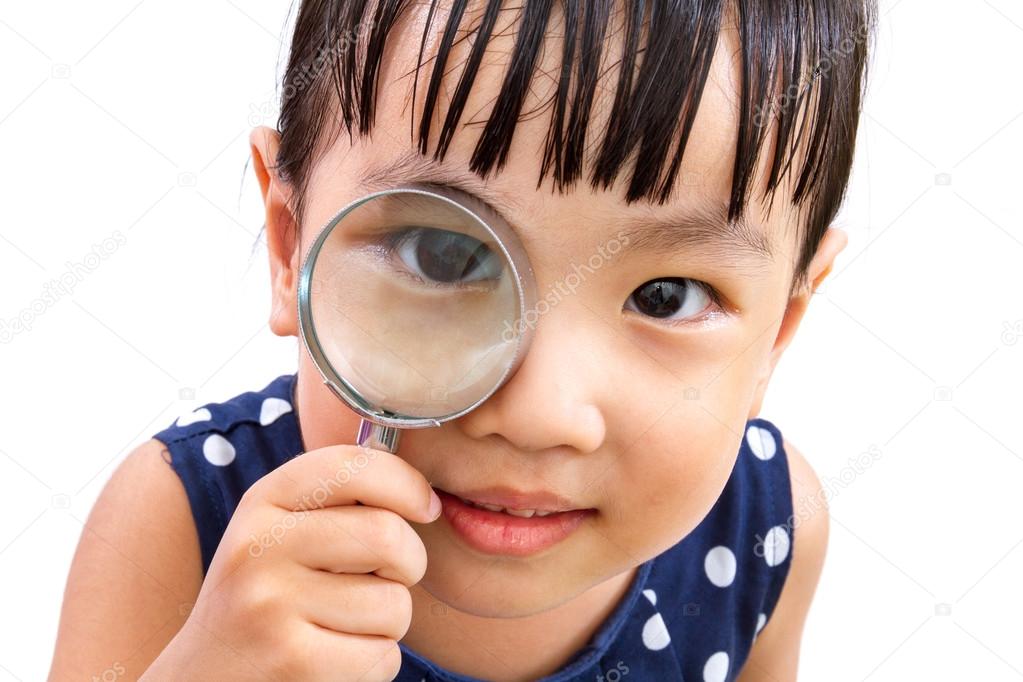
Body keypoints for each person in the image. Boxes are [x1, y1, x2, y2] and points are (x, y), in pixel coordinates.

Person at [49, 0, 876, 679]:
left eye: (668, 297)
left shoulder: (768, 529)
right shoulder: (182, 523)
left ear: (778, 332)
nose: (539, 413)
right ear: (289, 242)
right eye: (443, 256)